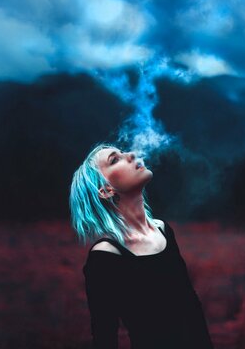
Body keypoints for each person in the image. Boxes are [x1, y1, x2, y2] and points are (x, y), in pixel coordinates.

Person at [69, 142, 215, 349]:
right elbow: (104, 336)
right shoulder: (105, 257)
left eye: (123, 153)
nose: (131, 154)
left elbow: (191, 308)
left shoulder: (163, 231)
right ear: (106, 190)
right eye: (114, 159)